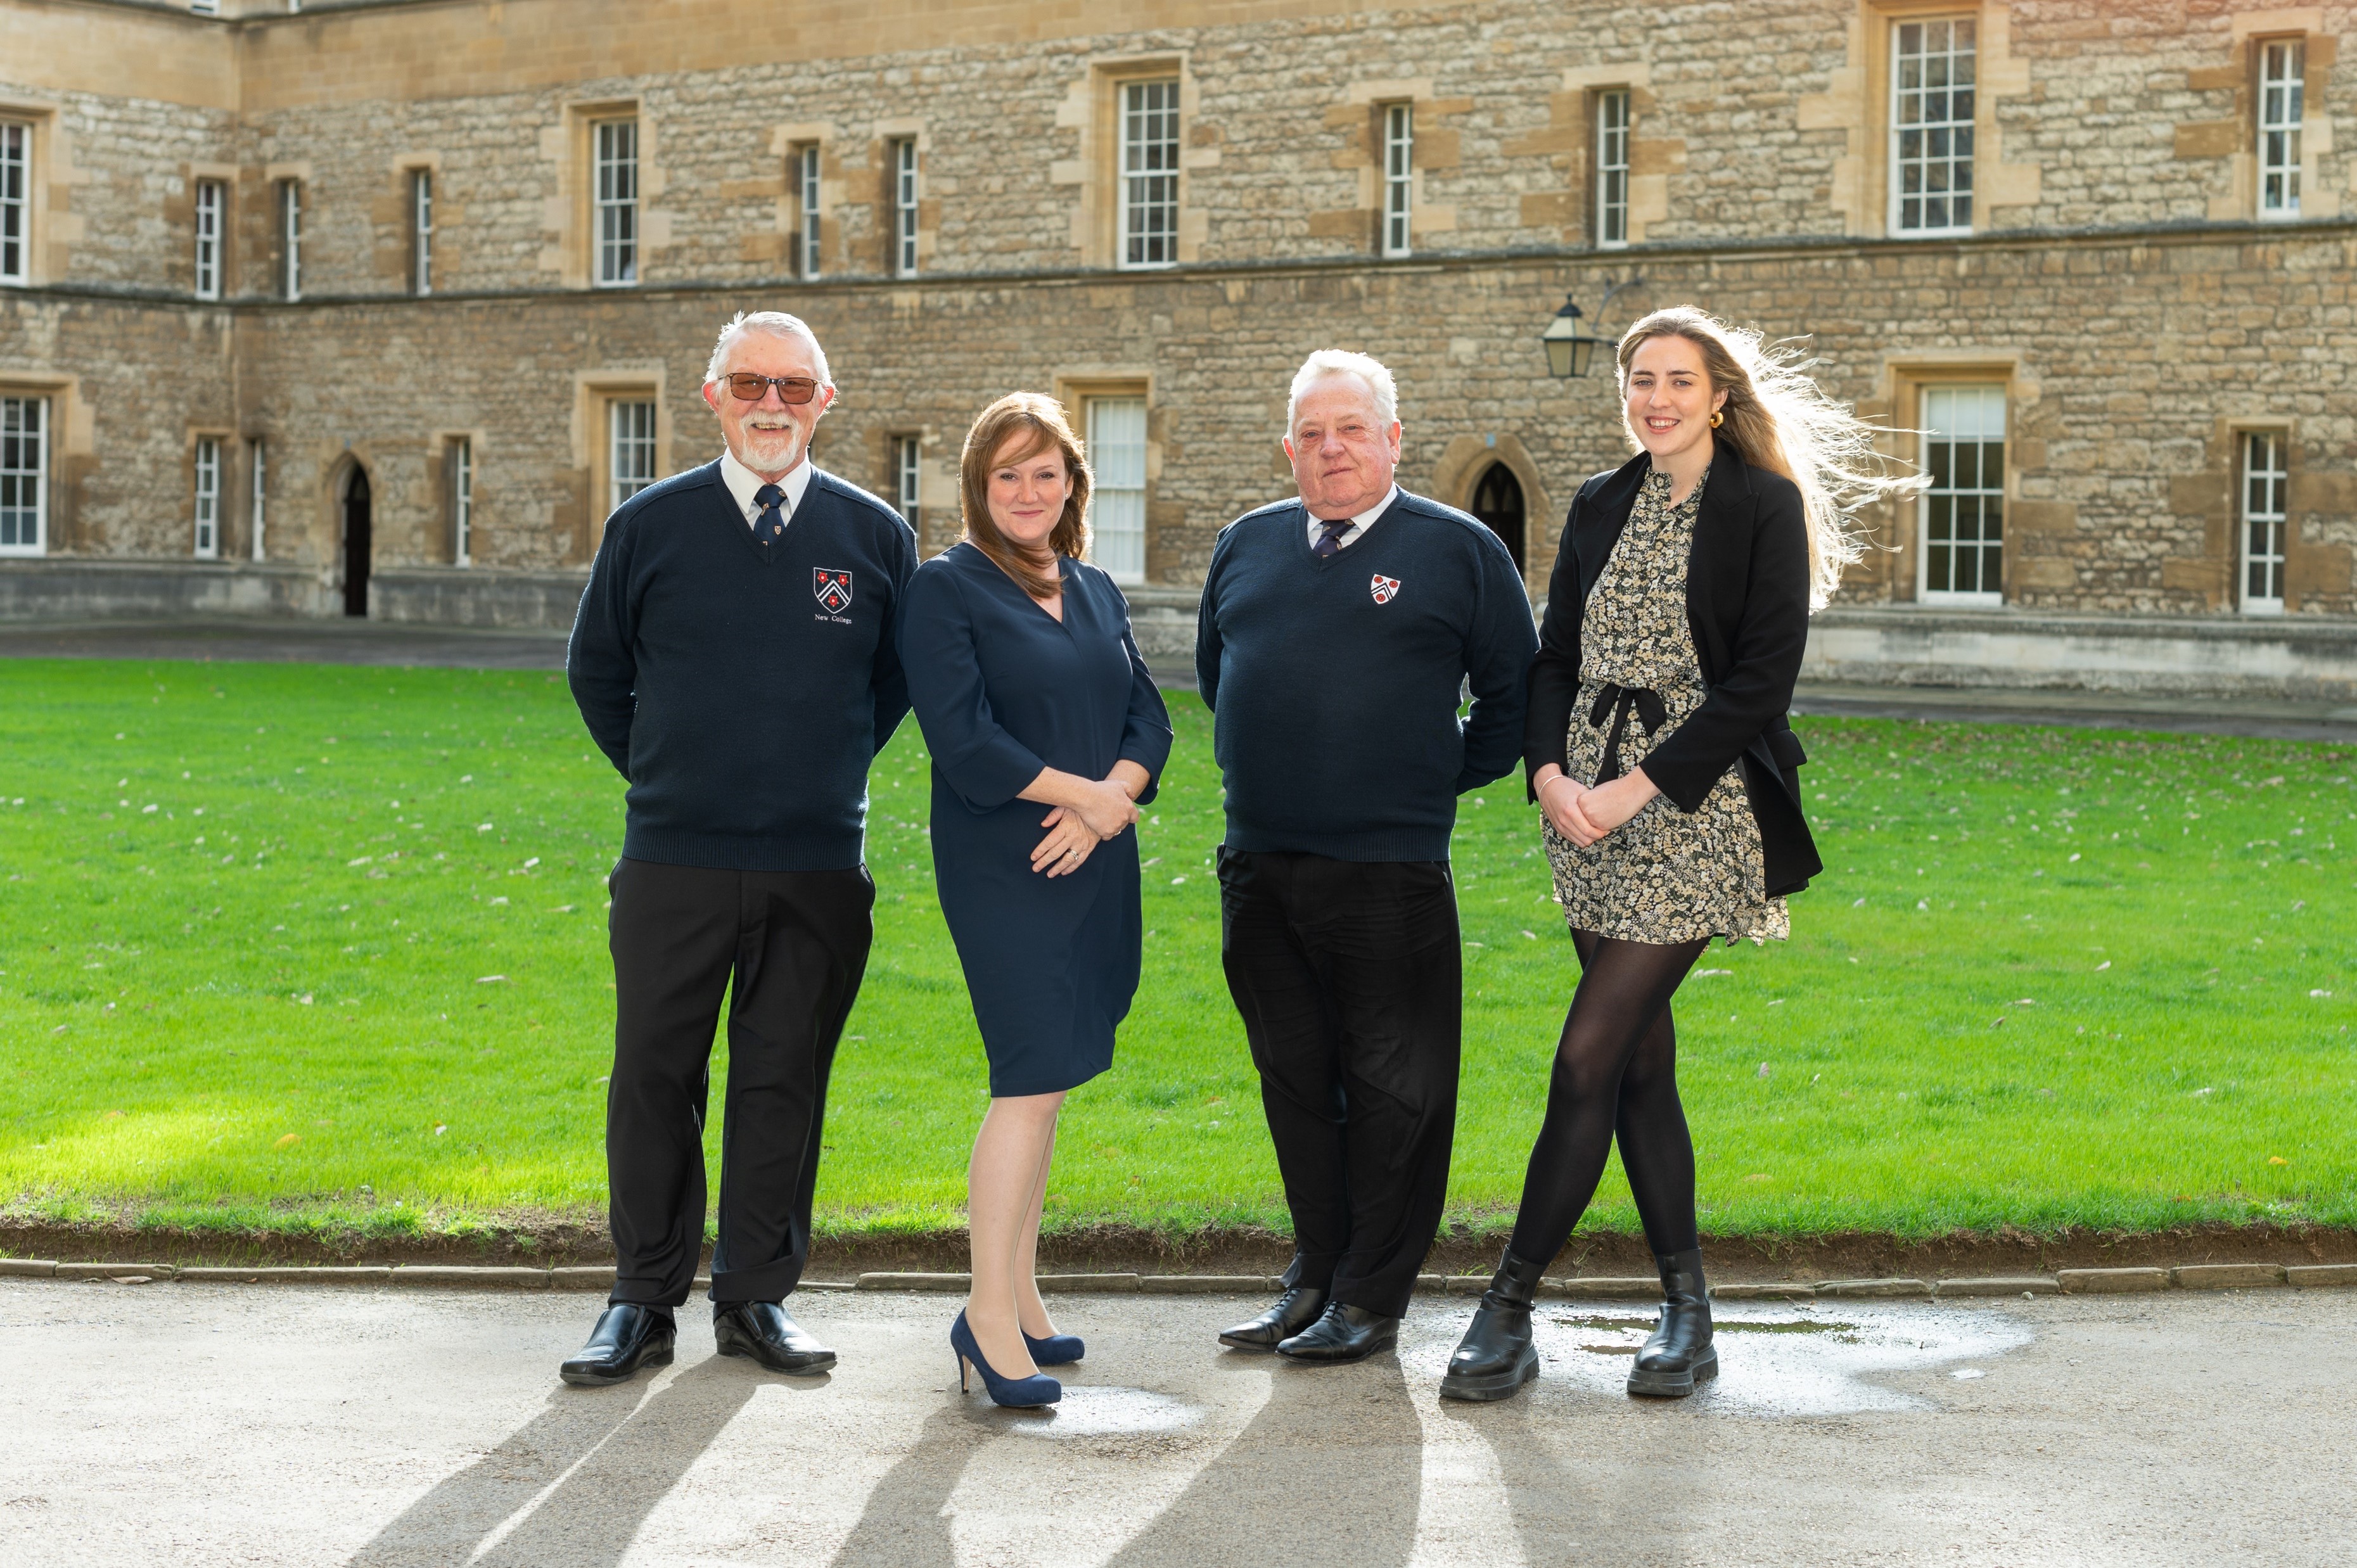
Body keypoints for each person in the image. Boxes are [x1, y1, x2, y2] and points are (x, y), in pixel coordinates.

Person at [1440, 305, 1918, 1403]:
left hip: (1697, 812)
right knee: (1638, 1067)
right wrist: (1552, 779)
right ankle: (1686, 1311)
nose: (1654, 398)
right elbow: (1554, 653)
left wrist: (1634, 789)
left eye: (1675, 380)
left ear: (1718, 395)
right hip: (1587, 810)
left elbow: (1760, 682)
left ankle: (1507, 1308)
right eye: (1638, 381)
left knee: (1585, 1058)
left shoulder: (1763, 507)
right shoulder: (1606, 500)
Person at [560, 310, 917, 1387]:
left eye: (795, 388)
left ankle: (757, 1295)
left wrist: (816, 780)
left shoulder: (874, 537)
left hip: (817, 866)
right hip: (676, 858)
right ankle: (640, 1299)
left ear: (824, 404)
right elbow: (597, 675)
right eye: (751, 384)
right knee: (653, 1078)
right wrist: (676, 780)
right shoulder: (649, 526)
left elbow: (890, 690)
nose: (773, 404)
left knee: (783, 1079)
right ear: (712, 395)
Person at [1198, 350, 1538, 1364]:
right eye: (1311, 433)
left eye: (1351, 429)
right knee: (1295, 1080)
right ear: (1289, 447)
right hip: (1260, 866)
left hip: (1389, 875)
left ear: (1393, 440)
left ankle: (1372, 1298)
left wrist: (1421, 782)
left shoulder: (1459, 551)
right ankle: (1314, 1276)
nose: (1330, 449)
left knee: (1396, 1091)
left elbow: (1515, 702)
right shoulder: (1246, 544)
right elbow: (1222, 678)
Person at [899, 393, 1173, 1409]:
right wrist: (1084, 796)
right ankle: (983, 1315)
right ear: (980, 487)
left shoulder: (1095, 586)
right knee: (1026, 1077)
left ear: (1071, 485)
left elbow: (1150, 720)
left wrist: (1112, 806)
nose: (1027, 491)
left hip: (1092, 858)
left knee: (1054, 1081)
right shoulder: (946, 589)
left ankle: (1019, 1292)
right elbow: (966, 742)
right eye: (1007, 475)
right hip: (1005, 865)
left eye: (1045, 473)